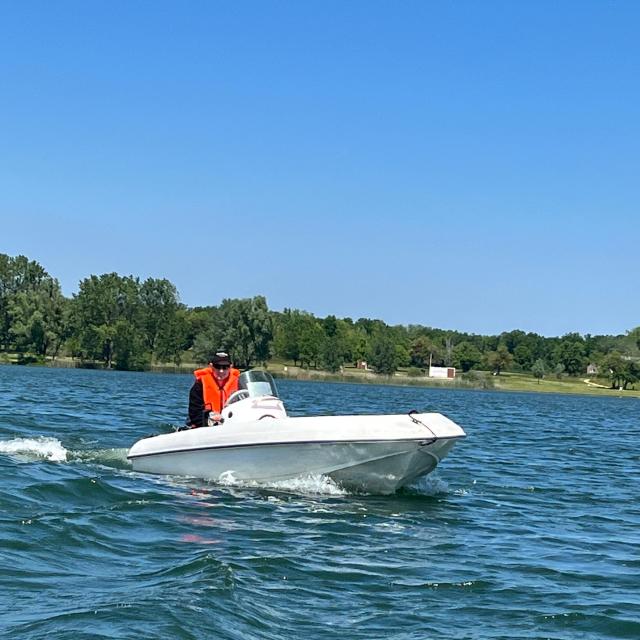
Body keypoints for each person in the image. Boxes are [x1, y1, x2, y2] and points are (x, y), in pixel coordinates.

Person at [187, 351, 240, 428]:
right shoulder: (199, 385)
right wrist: (209, 418)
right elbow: (195, 413)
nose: (221, 371)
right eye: (217, 366)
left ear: (230, 367)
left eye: (225, 367)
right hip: (205, 425)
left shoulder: (239, 382)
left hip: (232, 423)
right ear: (211, 366)